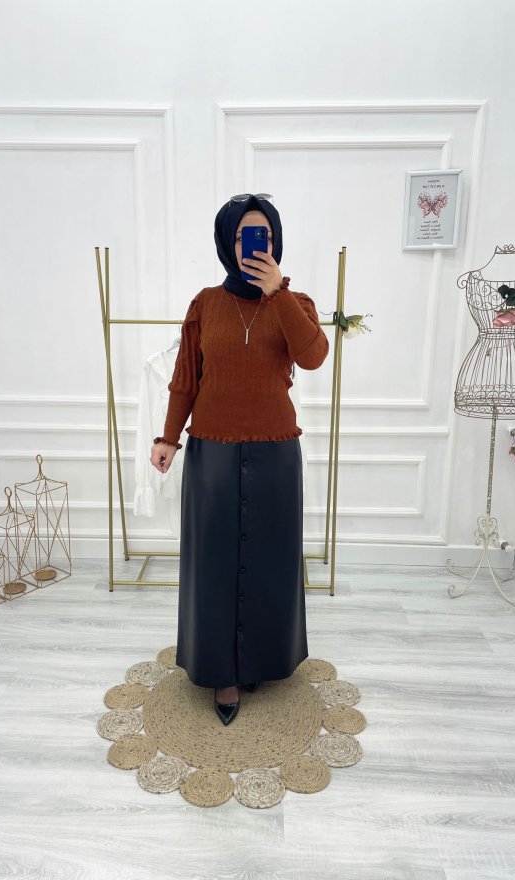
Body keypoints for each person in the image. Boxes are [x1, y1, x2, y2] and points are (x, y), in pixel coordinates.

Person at [150, 193, 329, 725]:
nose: (256, 245)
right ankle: (221, 673)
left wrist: (278, 293)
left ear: (276, 240)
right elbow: (186, 377)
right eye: (245, 236)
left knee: (270, 562)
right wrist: (168, 437)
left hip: (277, 453)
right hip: (213, 453)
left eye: (265, 235)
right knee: (214, 564)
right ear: (227, 243)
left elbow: (313, 356)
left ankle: (261, 661)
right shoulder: (205, 304)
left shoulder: (296, 303)